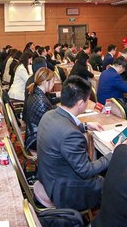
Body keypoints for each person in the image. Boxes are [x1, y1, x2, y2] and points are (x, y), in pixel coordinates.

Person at [37, 76, 110, 210]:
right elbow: (86, 171)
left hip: (47, 176)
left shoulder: (49, 114)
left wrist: (85, 126)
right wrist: (112, 154)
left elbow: (61, 132)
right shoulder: (71, 135)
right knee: (112, 185)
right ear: (80, 103)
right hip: (64, 190)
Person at [24, 67, 56, 151]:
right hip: (36, 139)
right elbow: (53, 126)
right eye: (53, 82)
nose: (53, 84)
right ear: (45, 82)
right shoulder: (41, 101)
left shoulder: (35, 92)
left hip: (33, 134)